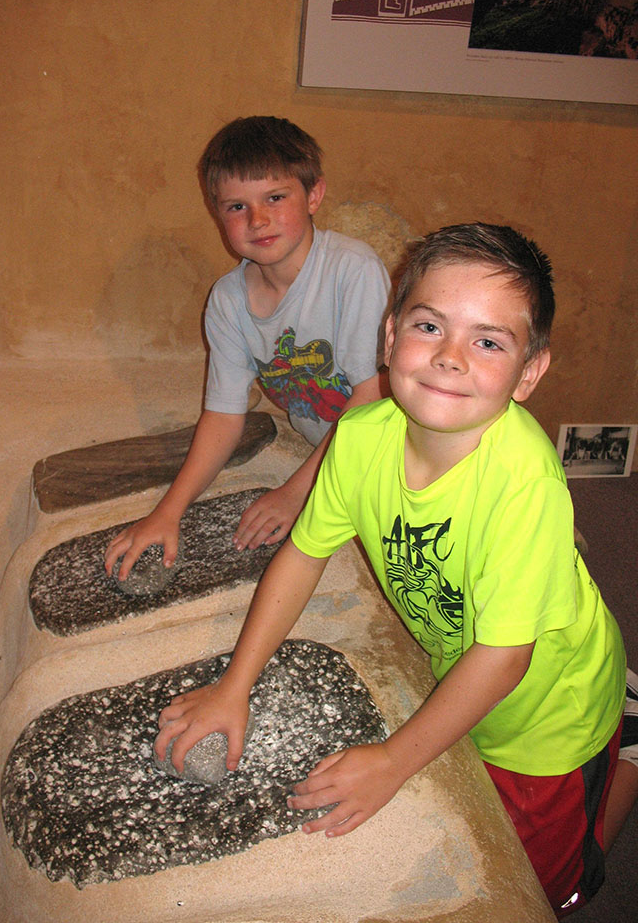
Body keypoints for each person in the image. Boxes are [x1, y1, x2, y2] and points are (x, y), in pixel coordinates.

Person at [154, 223, 635, 918]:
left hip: (549, 714)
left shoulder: (525, 481)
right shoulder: (361, 436)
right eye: (429, 325)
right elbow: (302, 554)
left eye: (489, 341)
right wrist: (235, 684)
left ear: (529, 373)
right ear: (388, 339)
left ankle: (628, 753)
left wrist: (394, 759)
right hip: (469, 663)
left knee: (547, 888)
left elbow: (504, 659)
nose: (450, 357)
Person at [105, 116, 390, 579]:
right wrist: (167, 512)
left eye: (275, 197)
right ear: (217, 213)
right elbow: (223, 415)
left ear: (314, 194)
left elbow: (370, 401)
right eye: (237, 207)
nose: (258, 220)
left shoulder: (351, 270)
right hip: (329, 454)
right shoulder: (228, 299)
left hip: (388, 452)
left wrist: (298, 492)